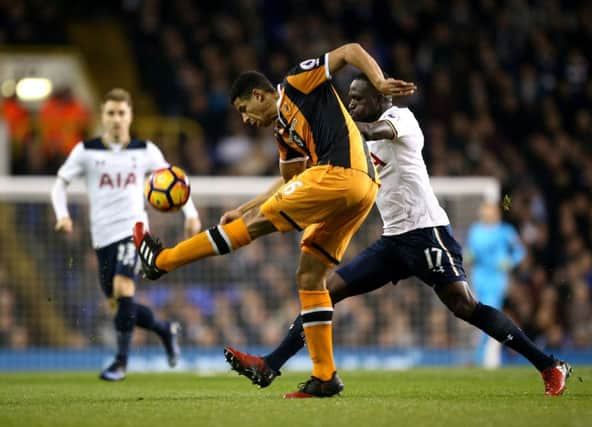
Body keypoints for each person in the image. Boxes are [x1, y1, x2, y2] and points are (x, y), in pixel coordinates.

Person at [222, 74, 572, 397]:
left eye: (359, 99)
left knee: (464, 306)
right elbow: (298, 176)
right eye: (350, 101)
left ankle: (549, 364)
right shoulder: (351, 144)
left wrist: (339, 126)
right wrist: (246, 209)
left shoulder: (401, 119)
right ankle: (271, 366)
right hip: (393, 240)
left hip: (426, 231)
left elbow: (378, 133)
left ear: (380, 97)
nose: (353, 105)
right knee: (324, 291)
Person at [134, 43, 417, 398]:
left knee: (252, 230)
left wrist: (379, 79)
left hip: (340, 174)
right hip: (360, 190)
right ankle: (325, 375)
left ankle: (162, 261)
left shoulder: (299, 81)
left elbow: (350, 51)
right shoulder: (284, 132)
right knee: (310, 275)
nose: (244, 119)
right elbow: (290, 181)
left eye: (243, 109)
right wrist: (246, 206)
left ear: (258, 95)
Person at [51, 88, 202, 381]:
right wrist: (62, 215)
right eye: (111, 113)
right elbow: (60, 184)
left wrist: (191, 213)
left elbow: (174, 181)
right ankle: (164, 329)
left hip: (134, 230)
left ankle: (120, 362)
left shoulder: (145, 151)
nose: (117, 119)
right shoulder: (86, 151)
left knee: (123, 288)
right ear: (102, 116)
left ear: (130, 115)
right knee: (119, 303)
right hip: (102, 236)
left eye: (122, 113)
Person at [466, 201, 525, 368]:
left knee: (489, 316)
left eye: (488, 210)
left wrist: (510, 261)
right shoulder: (475, 230)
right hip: (479, 278)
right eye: (483, 210)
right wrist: (469, 255)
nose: (485, 213)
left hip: (496, 279)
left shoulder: (505, 231)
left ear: (496, 213)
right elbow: (470, 251)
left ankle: (479, 356)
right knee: (479, 316)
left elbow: (520, 251)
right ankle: (481, 355)